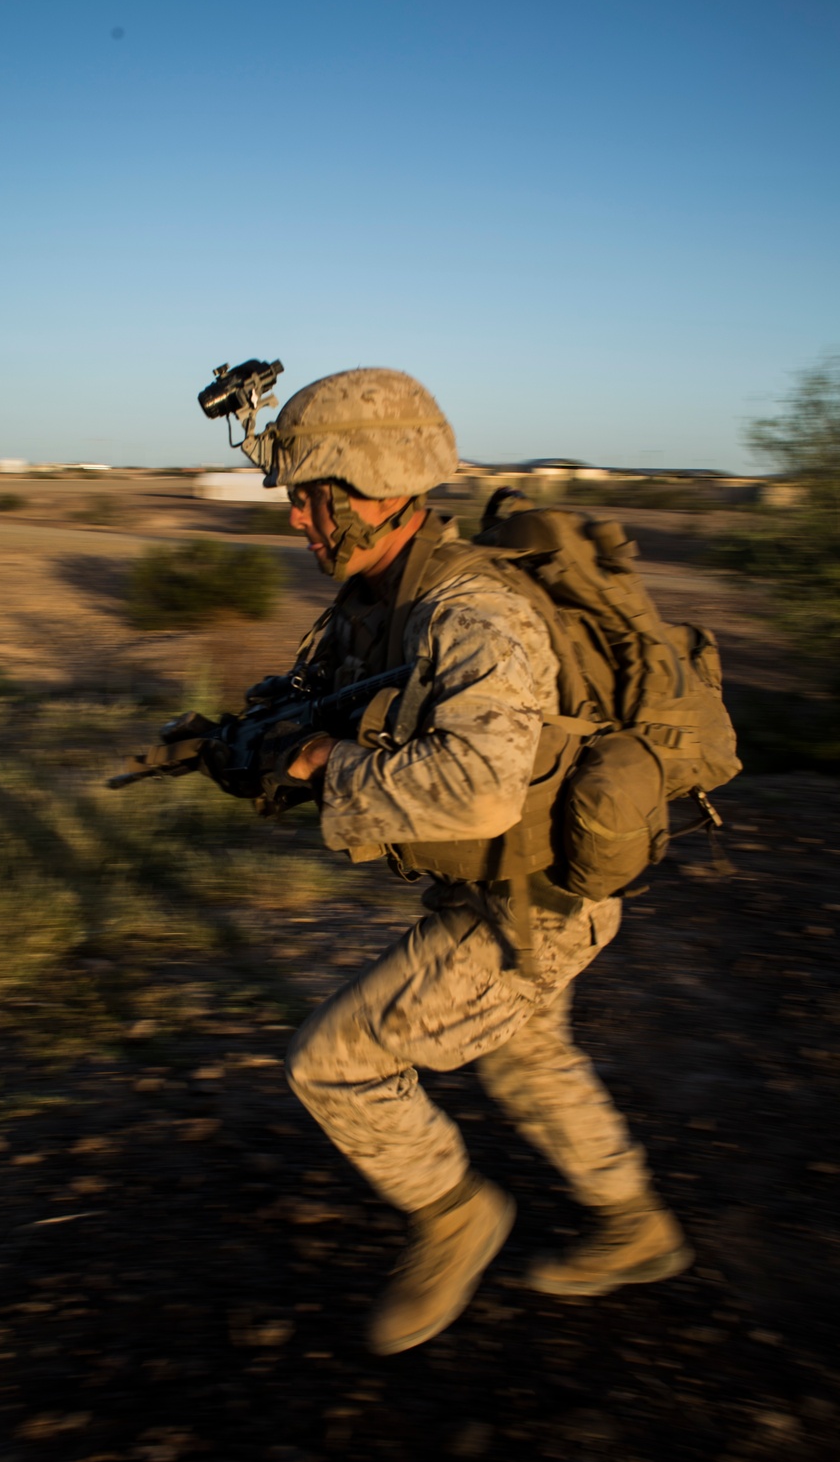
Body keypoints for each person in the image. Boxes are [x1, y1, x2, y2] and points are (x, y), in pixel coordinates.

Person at [237, 367, 693, 1356]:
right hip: (532, 889)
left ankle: (454, 1216)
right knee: (530, 1058)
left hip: (527, 901)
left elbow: (481, 785)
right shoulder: (387, 595)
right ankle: (636, 1227)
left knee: (335, 1063)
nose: (297, 524)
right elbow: (340, 706)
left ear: (375, 491)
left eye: (312, 500)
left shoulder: (470, 611)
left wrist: (330, 767)